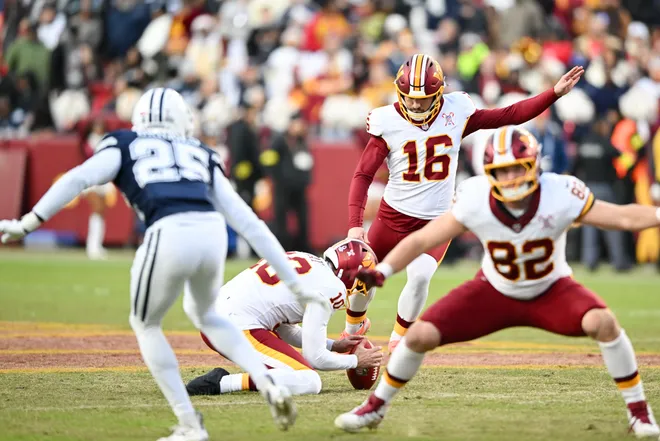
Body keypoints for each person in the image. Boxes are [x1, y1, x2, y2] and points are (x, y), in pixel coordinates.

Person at [0, 88, 328, 441]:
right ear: (182, 119)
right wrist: (293, 281)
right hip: (211, 232)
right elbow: (249, 223)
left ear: (139, 118)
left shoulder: (124, 143)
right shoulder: (200, 151)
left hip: (168, 229)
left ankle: (190, 424)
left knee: (146, 324)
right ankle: (268, 383)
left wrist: (29, 221)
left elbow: (78, 178)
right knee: (209, 316)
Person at [334, 126, 660, 438]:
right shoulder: (475, 197)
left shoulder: (561, 192)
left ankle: (639, 412)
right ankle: (375, 407)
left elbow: (624, 217)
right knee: (418, 335)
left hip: (551, 288)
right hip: (494, 290)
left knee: (603, 323)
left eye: (518, 169)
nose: (511, 178)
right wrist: (385, 270)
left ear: (534, 166)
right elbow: (422, 241)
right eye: (503, 171)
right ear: (489, 171)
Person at [344, 52, 584, 353]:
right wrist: (355, 227)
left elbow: (508, 115)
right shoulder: (387, 121)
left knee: (419, 277)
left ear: (439, 93)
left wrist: (553, 94)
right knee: (363, 276)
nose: (416, 104)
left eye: (424, 98)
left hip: (436, 222)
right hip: (392, 218)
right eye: (410, 97)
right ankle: (353, 330)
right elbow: (362, 175)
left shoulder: (456, 112)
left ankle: (399, 339)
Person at [185, 240, 383, 396]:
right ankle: (222, 382)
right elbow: (316, 358)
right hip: (234, 326)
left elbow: (281, 326)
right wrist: (356, 361)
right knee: (308, 381)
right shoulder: (332, 288)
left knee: (296, 373)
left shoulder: (309, 260)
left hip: (218, 317)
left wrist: (333, 345)